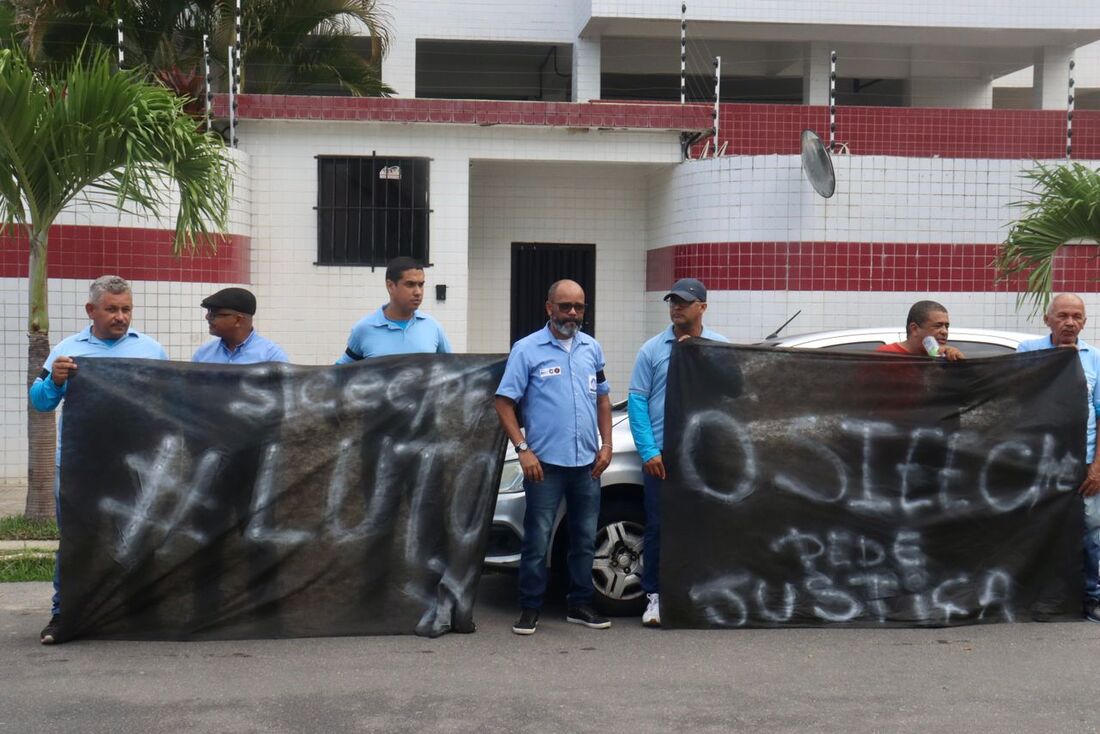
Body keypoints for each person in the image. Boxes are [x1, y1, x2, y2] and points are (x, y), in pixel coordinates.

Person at [28, 275, 169, 645]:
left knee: (139, 536)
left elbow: (170, 404)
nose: (121, 317)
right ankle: (65, 616)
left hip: (136, 464)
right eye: (112, 309)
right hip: (80, 467)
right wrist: (55, 381)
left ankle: (140, 613)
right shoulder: (68, 350)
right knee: (79, 540)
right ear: (92, 310)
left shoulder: (152, 350)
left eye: (126, 309)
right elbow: (40, 401)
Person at [495, 279, 613, 635]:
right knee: (537, 539)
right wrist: (523, 449)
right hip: (544, 466)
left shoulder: (591, 349)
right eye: (565, 307)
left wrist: (607, 446)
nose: (573, 314)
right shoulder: (527, 350)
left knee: (583, 538)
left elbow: (603, 398)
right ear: (549, 308)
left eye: (579, 307)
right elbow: (504, 402)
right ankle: (530, 607)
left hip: (587, 466)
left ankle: (579, 603)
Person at [628, 278, 729, 627]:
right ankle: (655, 597)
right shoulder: (652, 350)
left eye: (685, 302)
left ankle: (701, 594)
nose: (676, 307)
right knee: (658, 527)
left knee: (705, 526)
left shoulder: (721, 347)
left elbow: (736, 390)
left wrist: (700, 352)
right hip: (663, 456)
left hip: (703, 456)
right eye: (672, 301)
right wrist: (647, 450)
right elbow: (637, 401)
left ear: (702, 306)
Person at [1016, 293, 1100, 623]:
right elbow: (1015, 396)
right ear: (1047, 320)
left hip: (1084, 459)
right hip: (1040, 459)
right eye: (1062, 315)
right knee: (1038, 526)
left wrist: (1097, 465)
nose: (1070, 322)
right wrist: (1054, 364)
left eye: (1076, 316)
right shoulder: (1028, 351)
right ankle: (1040, 597)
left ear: (1084, 322)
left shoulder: (1094, 357)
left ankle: (1093, 596)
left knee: (1091, 529)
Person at [336, 256, 451, 362]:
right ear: (390, 286)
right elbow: (340, 374)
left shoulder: (433, 327)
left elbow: (451, 370)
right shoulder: (363, 329)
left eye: (421, 285)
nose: (418, 292)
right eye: (410, 284)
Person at [192, 287, 288, 364]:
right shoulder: (203, 354)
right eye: (209, 312)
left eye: (215, 314)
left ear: (238, 320)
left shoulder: (270, 356)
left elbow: (283, 387)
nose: (207, 317)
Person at [876, 300, 966, 360]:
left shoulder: (945, 357)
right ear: (914, 329)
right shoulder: (886, 355)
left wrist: (959, 363)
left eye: (946, 326)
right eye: (938, 326)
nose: (945, 331)